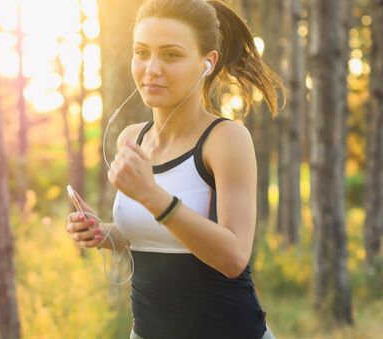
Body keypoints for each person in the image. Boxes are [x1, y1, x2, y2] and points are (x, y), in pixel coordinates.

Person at [65, 0, 284, 338]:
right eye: (142, 52)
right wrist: (103, 233)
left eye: (171, 55)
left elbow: (234, 257)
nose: (152, 68)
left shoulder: (225, 140)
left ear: (207, 62)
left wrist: (152, 196)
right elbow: (149, 235)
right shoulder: (131, 139)